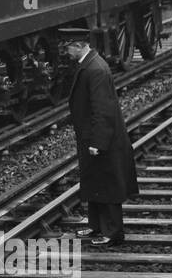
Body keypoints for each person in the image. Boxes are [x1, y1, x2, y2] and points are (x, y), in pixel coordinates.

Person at [59, 26, 139, 246]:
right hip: (91, 135)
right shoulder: (89, 64)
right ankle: (96, 226)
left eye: (67, 47)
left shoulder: (95, 69)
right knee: (94, 181)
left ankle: (113, 233)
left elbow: (103, 109)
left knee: (108, 184)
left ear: (78, 46)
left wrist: (98, 142)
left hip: (102, 138)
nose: (65, 52)